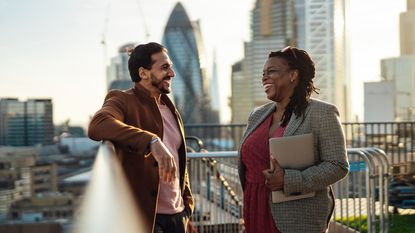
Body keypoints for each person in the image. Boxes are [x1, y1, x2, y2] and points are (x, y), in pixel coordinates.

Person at [238, 46, 349, 233]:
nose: (264, 77)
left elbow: (338, 165)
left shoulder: (322, 113)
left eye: (271, 71)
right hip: (255, 209)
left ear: (293, 75)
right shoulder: (257, 115)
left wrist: (289, 180)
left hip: (297, 217)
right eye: (263, 73)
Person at [88, 42, 194, 233]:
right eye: (164, 67)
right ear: (143, 73)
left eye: (170, 66)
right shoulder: (122, 99)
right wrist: (151, 141)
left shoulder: (170, 108)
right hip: (149, 221)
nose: (172, 73)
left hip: (179, 216)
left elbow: (178, 160)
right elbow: (98, 124)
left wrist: (187, 207)